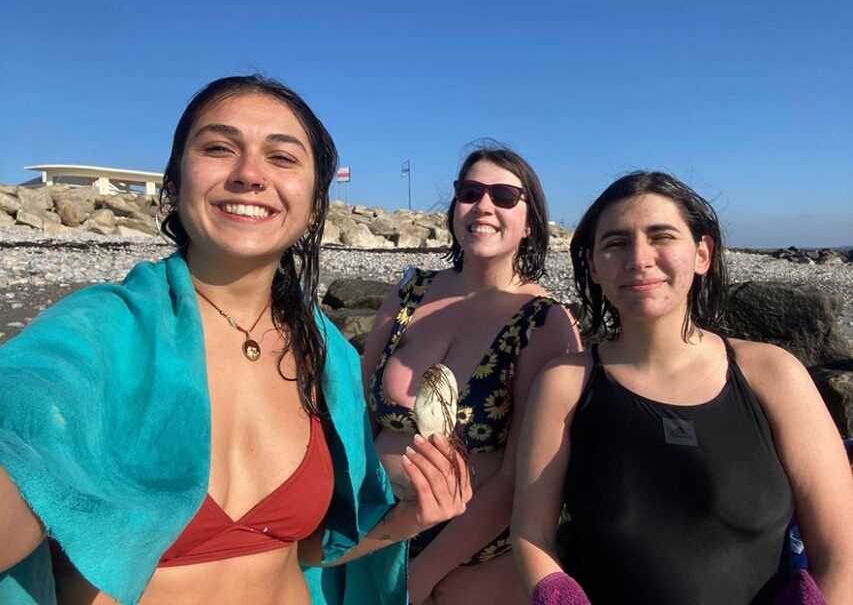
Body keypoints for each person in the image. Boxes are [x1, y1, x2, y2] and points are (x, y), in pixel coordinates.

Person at [0, 75, 471, 605]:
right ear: (174, 185)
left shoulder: (326, 353)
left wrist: (405, 520)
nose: (250, 174)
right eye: (220, 148)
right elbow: (22, 428)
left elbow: (306, 551)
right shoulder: (101, 331)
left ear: (316, 205)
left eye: (282, 158)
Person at [512, 171, 853, 604]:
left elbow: (842, 553)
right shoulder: (565, 384)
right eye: (616, 243)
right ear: (593, 266)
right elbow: (531, 534)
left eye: (661, 236)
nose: (639, 258)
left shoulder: (774, 375)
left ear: (702, 253)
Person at [361, 146, 583, 604]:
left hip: (469, 567)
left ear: (531, 223)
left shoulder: (544, 323)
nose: (484, 205)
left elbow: (520, 478)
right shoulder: (409, 292)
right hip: (375, 541)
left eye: (504, 195)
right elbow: (359, 417)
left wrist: (420, 576)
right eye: (470, 192)